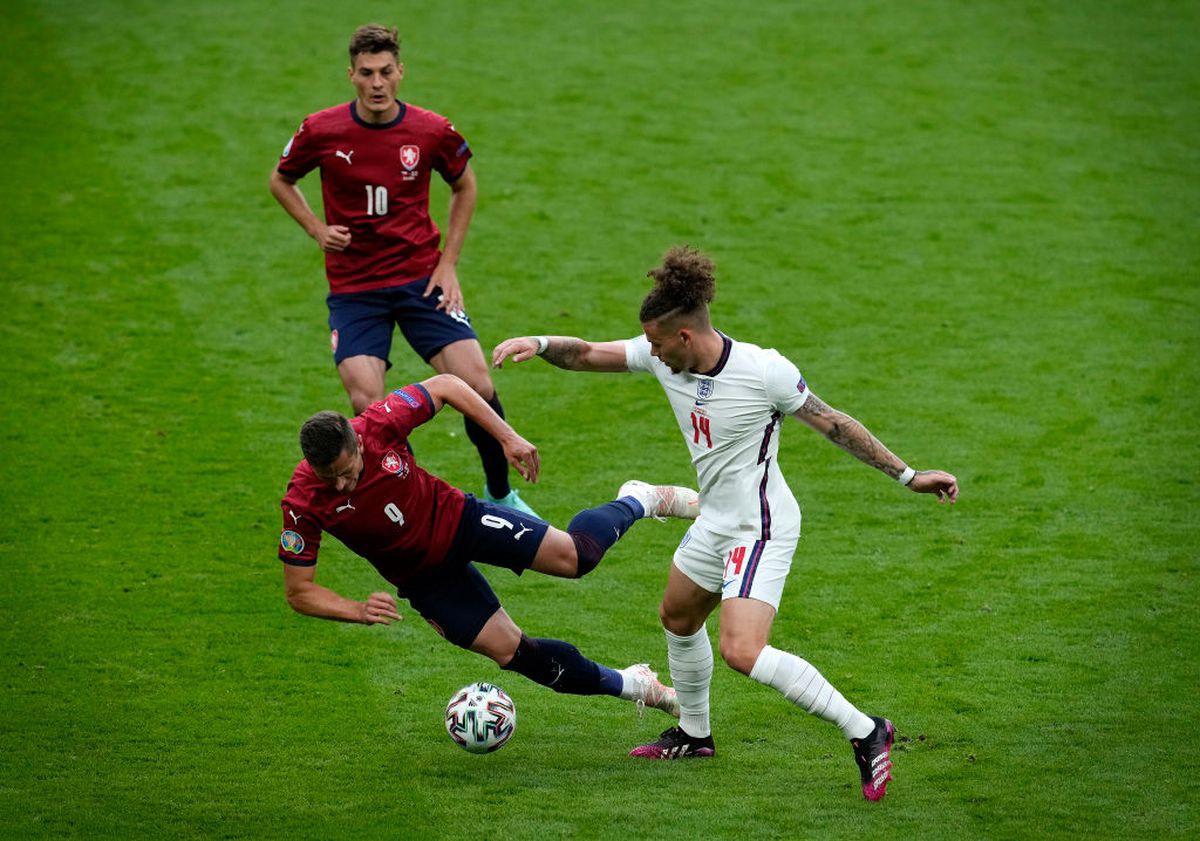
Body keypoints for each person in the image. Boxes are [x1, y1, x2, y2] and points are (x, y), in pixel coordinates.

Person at [492, 246, 959, 801]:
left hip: (760, 526)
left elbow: (834, 424)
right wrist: (539, 344)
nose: (653, 354)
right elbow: (587, 354)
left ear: (685, 337)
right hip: (715, 518)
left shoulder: (766, 372)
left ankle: (866, 730)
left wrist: (909, 476)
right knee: (678, 616)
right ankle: (694, 734)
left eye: (660, 344)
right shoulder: (659, 354)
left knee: (743, 650)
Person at [277, 371, 702, 722]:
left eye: (347, 473)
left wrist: (506, 437)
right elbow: (300, 591)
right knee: (513, 653)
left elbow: (446, 384)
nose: (339, 485)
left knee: (577, 558)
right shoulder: (302, 502)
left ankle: (640, 499)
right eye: (328, 478)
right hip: (425, 580)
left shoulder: (379, 424)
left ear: (355, 440)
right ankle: (637, 685)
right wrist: (354, 610)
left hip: (460, 520)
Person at [269, 23, 536, 516]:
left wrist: (448, 264)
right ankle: (418, 503)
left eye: (386, 72)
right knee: (367, 402)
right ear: (351, 74)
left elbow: (465, 187)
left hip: (421, 278)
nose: (376, 83)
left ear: (400, 72)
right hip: (355, 290)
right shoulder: (321, 129)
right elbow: (281, 179)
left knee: (477, 382)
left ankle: (502, 494)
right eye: (366, 73)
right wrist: (315, 229)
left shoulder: (431, 130)